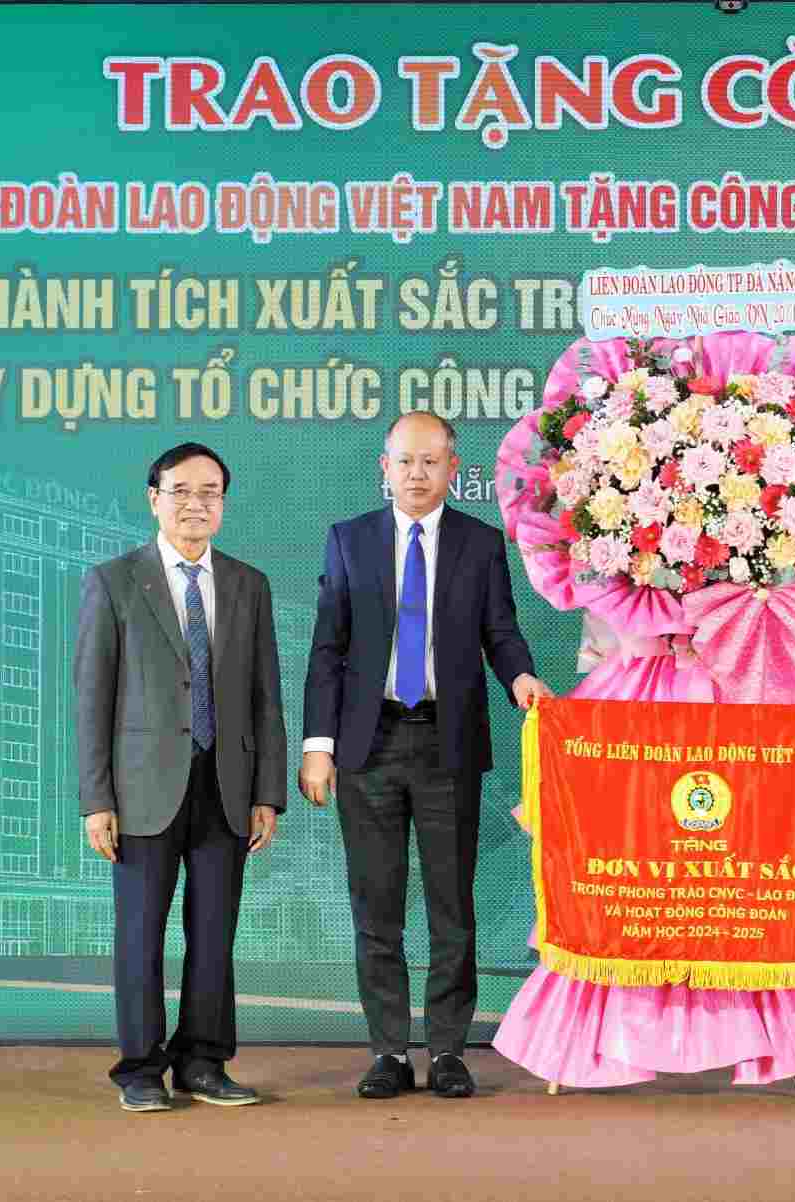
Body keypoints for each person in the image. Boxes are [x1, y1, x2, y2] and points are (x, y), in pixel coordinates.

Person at [300, 412, 551, 1101]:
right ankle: (387, 1051)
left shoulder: (480, 544)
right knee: (376, 908)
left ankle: (446, 1052)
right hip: (366, 745)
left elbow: (501, 631)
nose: (417, 474)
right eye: (405, 461)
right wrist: (317, 748)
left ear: (452, 467)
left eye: (431, 462)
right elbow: (328, 650)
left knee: (452, 907)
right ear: (384, 466)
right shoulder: (348, 542)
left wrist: (521, 677)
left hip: (449, 745)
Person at [75, 442, 287, 1113]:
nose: (196, 504)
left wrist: (268, 792)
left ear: (223, 502)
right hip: (141, 790)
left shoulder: (249, 584)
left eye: (211, 492)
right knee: (139, 932)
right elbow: (91, 698)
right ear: (154, 498)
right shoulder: (113, 582)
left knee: (215, 932)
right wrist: (95, 797)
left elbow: (265, 696)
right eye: (181, 491)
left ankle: (203, 1062)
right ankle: (140, 1069)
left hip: (227, 784)